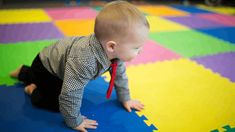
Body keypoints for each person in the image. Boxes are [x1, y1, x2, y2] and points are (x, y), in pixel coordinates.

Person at [10, 0, 149, 131]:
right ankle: (32, 89)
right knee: (57, 103)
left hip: (53, 61)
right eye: (136, 48)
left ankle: (24, 72)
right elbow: (69, 94)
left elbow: (120, 76)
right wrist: (74, 121)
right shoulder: (85, 60)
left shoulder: (114, 54)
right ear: (112, 46)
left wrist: (126, 98)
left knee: (66, 86)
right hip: (47, 68)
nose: (141, 51)